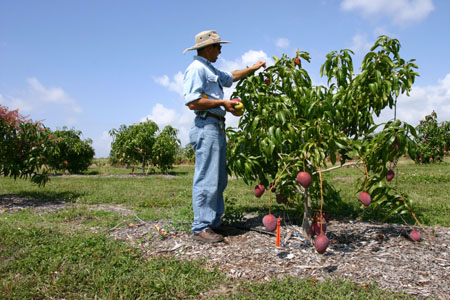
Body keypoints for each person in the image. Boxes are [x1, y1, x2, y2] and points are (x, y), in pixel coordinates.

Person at [183, 30, 266, 243]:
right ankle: (201, 227)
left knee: (219, 179)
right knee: (206, 179)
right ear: (208, 47)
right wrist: (223, 104)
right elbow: (193, 102)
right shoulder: (196, 69)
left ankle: (214, 222)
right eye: (218, 47)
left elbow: (231, 77)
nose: (220, 51)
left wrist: (253, 68)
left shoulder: (210, 69)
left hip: (217, 127)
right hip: (206, 126)